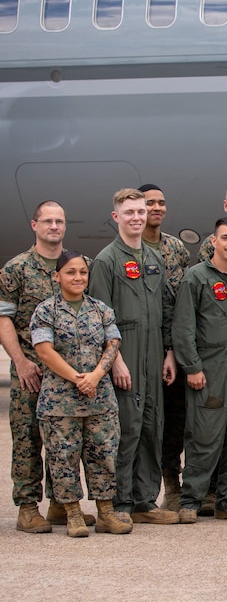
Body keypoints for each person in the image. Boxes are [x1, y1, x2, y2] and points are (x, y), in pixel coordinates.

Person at [1, 201, 95, 532]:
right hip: (31, 371)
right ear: (34, 225)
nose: (54, 226)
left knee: (67, 443)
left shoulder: (78, 264)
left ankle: (60, 504)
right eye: (48, 221)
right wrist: (21, 362)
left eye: (59, 221)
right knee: (27, 439)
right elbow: (4, 319)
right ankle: (28, 507)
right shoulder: (17, 268)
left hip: (68, 374)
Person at [88, 188, 179, 525]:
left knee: (153, 427)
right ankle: (120, 503)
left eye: (141, 212)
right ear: (116, 217)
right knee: (127, 430)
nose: (137, 218)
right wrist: (116, 361)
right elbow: (99, 318)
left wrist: (169, 353)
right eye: (129, 213)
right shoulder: (106, 261)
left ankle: (145, 501)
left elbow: (165, 309)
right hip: (125, 354)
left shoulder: (154, 259)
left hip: (155, 354)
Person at [30, 251, 131, 537]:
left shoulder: (101, 309)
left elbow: (112, 344)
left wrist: (96, 376)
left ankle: (106, 513)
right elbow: (44, 351)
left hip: (99, 400)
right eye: (71, 272)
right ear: (57, 276)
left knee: (104, 456)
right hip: (60, 403)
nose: (78, 277)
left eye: (83, 272)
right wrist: (76, 378)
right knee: (63, 459)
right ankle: (72, 514)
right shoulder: (46, 310)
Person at [173, 218, 227, 523]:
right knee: (204, 436)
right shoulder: (196, 278)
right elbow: (183, 327)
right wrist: (192, 367)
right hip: (209, 368)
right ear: (214, 241)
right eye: (225, 238)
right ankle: (191, 500)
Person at [139, 183, 192, 514]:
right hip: (140, 348)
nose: (156, 208)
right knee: (142, 423)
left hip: (173, 348)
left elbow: (181, 303)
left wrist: (174, 349)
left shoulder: (176, 248)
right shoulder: (128, 249)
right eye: (149, 203)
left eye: (160, 203)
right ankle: (139, 491)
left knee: (174, 421)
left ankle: (172, 485)